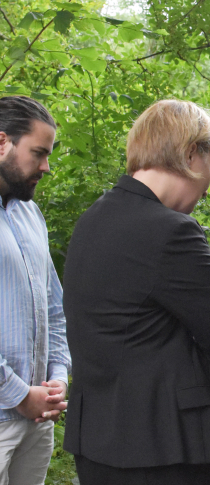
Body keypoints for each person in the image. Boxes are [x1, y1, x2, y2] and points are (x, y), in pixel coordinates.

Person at [61, 100, 210, 485]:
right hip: (164, 447)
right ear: (191, 155)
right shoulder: (171, 230)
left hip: (98, 442)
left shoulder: (92, 220)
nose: (208, 186)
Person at [0, 96, 71, 485]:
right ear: (2, 142)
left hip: (36, 424)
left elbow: (54, 310)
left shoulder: (31, 214)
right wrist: (18, 394)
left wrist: (58, 377)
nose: (46, 167)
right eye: (38, 153)